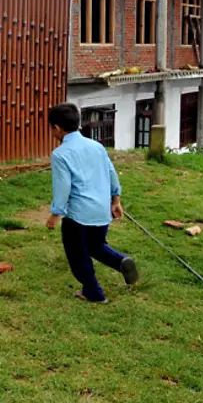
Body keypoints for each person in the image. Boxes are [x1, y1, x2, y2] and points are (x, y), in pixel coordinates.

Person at [45, 103, 139, 304]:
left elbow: (63, 187)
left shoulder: (60, 154)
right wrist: (116, 200)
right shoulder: (97, 146)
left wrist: (55, 214)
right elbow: (111, 173)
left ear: (57, 128)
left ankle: (93, 292)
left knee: (77, 254)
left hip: (78, 216)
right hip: (101, 211)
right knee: (95, 246)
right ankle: (121, 261)